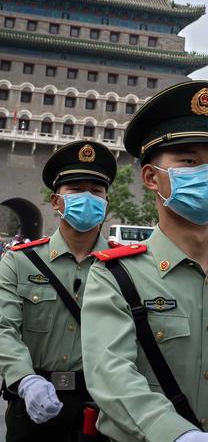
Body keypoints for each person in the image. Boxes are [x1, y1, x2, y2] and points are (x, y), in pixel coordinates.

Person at [80, 81, 208, 442]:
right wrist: (175, 435)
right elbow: (111, 374)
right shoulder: (117, 275)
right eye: (188, 161)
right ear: (152, 177)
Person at [0, 140, 117, 442]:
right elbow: (3, 328)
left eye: (96, 190)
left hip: (102, 407)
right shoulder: (21, 262)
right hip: (31, 402)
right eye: (76, 189)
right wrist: (24, 379)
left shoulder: (124, 267)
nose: (88, 197)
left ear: (107, 202)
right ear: (55, 201)